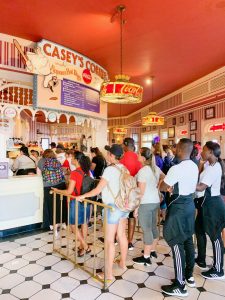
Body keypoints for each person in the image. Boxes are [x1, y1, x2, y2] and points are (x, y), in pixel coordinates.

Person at [76, 144, 128, 281]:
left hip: (112, 208)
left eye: (108, 153)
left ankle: (109, 274)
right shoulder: (124, 168)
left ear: (111, 155)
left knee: (109, 241)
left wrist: (84, 196)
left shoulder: (110, 170)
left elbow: (97, 190)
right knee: (122, 235)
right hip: (123, 207)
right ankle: (123, 263)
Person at [160, 138, 199, 297]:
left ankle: (180, 284)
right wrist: (173, 187)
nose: (174, 151)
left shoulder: (176, 168)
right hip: (190, 205)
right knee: (187, 239)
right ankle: (189, 276)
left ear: (181, 150)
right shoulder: (194, 166)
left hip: (179, 208)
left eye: (176, 149)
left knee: (175, 240)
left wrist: (166, 185)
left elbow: (163, 186)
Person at [52, 151, 92, 257]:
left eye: (73, 158)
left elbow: (69, 192)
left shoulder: (75, 173)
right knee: (84, 223)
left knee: (73, 225)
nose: (71, 160)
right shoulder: (86, 171)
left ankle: (85, 245)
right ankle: (82, 247)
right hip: (87, 201)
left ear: (77, 160)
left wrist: (57, 190)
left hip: (76, 201)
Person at [195, 141, 225, 279]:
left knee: (215, 236)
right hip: (205, 203)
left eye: (204, 150)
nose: (201, 152)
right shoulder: (210, 165)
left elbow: (201, 187)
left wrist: (185, 183)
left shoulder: (214, 168)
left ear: (211, 152)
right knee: (199, 229)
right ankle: (201, 259)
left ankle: (218, 269)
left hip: (213, 205)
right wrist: (201, 165)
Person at [132, 147, 165, 266]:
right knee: (153, 227)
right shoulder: (155, 168)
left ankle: (146, 257)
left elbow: (141, 193)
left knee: (146, 229)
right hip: (155, 201)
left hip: (145, 203)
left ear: (143, 157)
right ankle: (152, 250)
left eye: (138, 154)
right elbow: (164, 176)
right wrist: (158, 186)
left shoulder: (143, 171)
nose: (137, 155)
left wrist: (136, 208)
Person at [37, 149, 67, 235]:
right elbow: (62, 174)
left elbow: (38, 175)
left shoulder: (41, 161)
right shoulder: (57, 161)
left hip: (48, 186)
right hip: (61, 185)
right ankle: (63, 222)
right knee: (61, 204)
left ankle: (52, 225)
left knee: (50, 206)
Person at [120, 137, 142, 250]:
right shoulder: (138, 157)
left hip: (123, 191)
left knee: (122, 216)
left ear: (125, 145)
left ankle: (119, 238)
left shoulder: (122, 157)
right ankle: (129, 242)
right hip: (135, 191)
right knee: (132, 218)